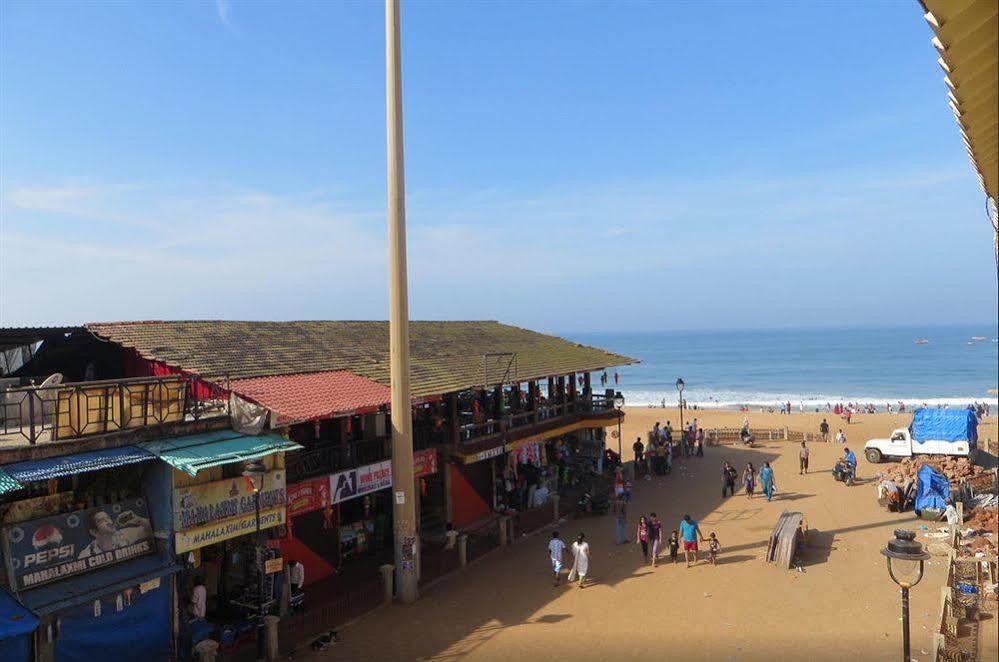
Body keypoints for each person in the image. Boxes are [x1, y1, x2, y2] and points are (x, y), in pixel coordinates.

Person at [77, 507, 153, 559]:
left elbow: (150, 530)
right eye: (102, 520)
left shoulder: (123, 534)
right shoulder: (86, 555)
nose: (109, 522)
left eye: (108, 518)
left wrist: (138, 520)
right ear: (94, 532)